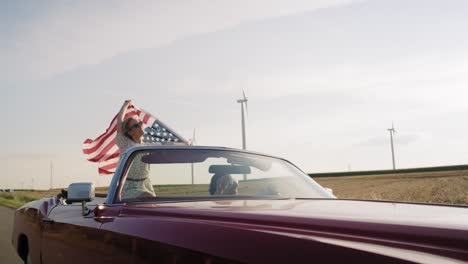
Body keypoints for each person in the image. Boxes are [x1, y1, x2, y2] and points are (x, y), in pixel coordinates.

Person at [116, 100, 156, 199]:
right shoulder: (126, 144)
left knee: (154, 205)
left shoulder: (147, 145)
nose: (140, 126)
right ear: (130, 132)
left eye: (140, 123)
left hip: (145, 184)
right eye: (136, 126)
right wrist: (125, 105)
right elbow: (120, 122)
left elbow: (167, 144)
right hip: (129, 187)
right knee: (149, 197)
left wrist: (185, 144)